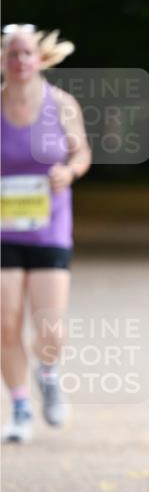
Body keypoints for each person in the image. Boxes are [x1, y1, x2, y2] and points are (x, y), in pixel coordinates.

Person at [1, 25, 92, 442]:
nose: (19, 61)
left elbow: (81, 152)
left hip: (49, 228)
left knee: (50, 327)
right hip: (4, 231)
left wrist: (68, 172)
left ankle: (48, 373)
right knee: (6, 323)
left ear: (39, 58)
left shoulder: (61, 104)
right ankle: (19, 406)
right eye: (12, 54)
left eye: (25, 54)